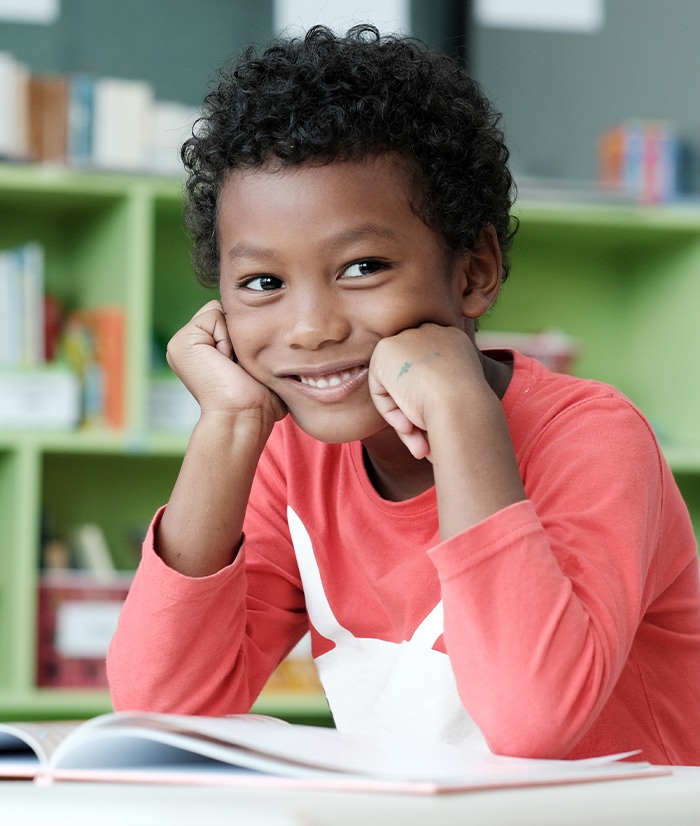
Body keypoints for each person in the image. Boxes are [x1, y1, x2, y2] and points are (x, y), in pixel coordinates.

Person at [107, 24, 700, 763]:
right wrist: (229, 425)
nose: (312, 328)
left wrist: (459, 412)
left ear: (473, 272)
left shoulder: (594, 438)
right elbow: (162, 707)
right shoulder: (292, 459)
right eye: (264, 283)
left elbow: (534, 721)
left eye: (363, 268)